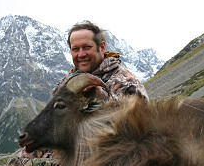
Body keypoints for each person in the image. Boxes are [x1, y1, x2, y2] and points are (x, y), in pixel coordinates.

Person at [8, 21, 149, 165]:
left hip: (102, 155)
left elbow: (135, 132)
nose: (81, 54)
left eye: (87, 47)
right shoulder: (68, 82)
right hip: (62, 150)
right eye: (75, 49)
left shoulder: (125, 81)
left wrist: (101, 97)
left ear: (102, 47)